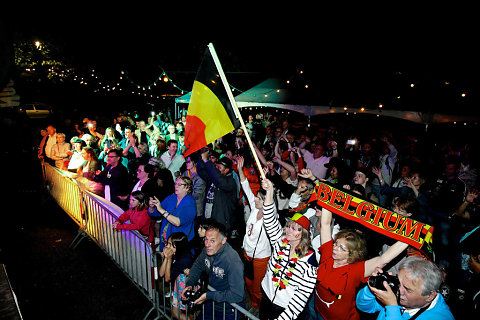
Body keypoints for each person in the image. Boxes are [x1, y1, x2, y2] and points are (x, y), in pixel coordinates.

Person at [314, 207, 408, 320]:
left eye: (342, 249)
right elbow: (325, 224)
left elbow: (383, 259)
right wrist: (327, 200)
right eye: (336, 244)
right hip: (318, 311)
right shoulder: (327, 254)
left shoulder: (355, 270)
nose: (335, 249)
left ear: (352, 254)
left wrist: (409, 238)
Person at [259, 178, 317, 320]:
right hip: (266, 298)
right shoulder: (280, 242)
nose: (289, 231)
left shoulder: (310, 263)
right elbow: (269, 219)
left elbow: (299, 301)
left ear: (303, 235)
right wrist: (270, 192)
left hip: (285, 310)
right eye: (289, 226)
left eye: (295, 229)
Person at [356, 256, 454, 319]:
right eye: (398, 282)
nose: (399, 291)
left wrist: (392, 307)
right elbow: (363, 306)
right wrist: (374, 287)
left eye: (407, 289)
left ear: (429, 296)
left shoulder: (441, 317)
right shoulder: (399, 294)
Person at [182, 221, 245, 320]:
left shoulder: (233, 261)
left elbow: (237, 295)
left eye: (212, 241)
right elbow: (198, 266)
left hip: (229, 309)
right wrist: (189, 284)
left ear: (223, 240)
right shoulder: (208, 250)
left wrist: (208, 295)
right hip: (211, 303)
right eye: (206, 239)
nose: (207, 244)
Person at [237, 156, 270, 315]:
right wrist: (239, 169)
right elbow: (245, 186)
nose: (255, 197)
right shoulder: (255, 207)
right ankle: (254, 302)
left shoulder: (271, 216)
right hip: (247, 253)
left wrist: (267, 181)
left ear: (266, 201)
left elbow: (269, 195)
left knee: (258, 287)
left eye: (259, 197)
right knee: (248, 282)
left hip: (261, 257)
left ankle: (258, 308)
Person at [148, 176, 197, 252]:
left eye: (179, 184)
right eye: (175, 184)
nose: (176, 186)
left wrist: (161, 210)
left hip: (179, 244)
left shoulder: (190, 203)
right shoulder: (171, 198)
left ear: (187, 188)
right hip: (166, 241)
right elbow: (156, 213)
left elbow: (178, 222)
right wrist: (152, 207)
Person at [196, 148, 237, 235]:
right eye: (216, 167)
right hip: (209, 215)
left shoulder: (230, 182)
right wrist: (201, 157)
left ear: (226, 170)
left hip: (221, 221)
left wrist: (206, 161)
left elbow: (219, 180)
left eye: (219, 167)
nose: (216, 169)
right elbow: (201, 171)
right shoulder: (213, 178)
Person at [158, 232, 195, 320]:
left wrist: (169, 259)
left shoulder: (184, 259)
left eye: (170, 244)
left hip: (186, 287)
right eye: (167, 243)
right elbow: (161, 273)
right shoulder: (176, 254)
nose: (167, 246)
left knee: (177, 314)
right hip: (179, 286)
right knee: (176, 313)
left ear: (178, 246)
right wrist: (166, 258)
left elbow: (167, 279)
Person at [182, 152, 206, 220]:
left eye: (189, 162)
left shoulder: (200, 176)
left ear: (194, 163)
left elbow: (197, 194)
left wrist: (184, 192)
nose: (186, 164)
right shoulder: (185, 173)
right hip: (185, 207)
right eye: (186, 162)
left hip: (196, 209)